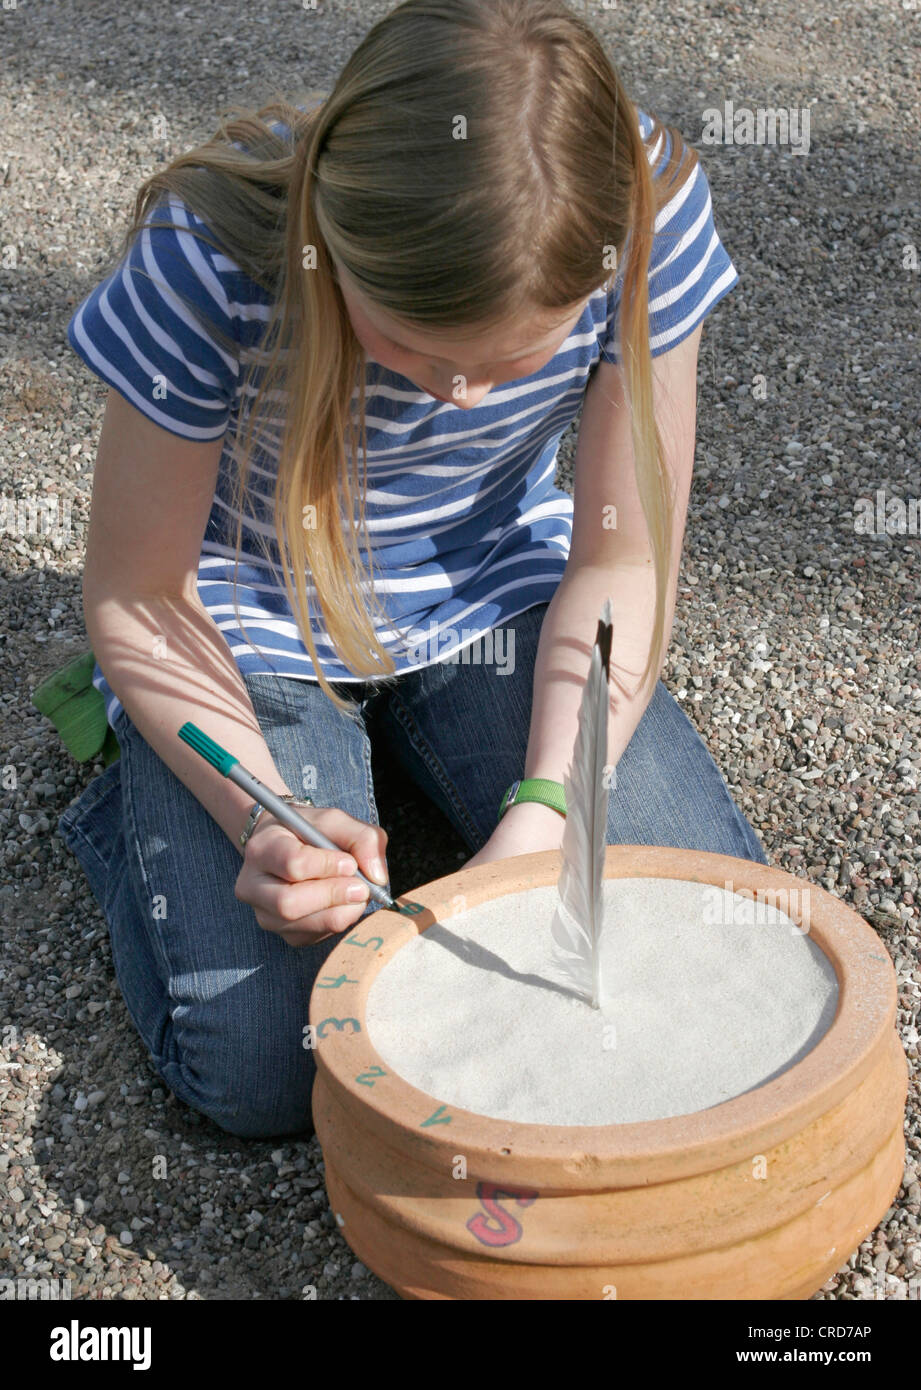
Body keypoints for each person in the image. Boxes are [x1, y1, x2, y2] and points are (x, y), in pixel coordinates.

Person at [58, 0, 767, 1139]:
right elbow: (139, 594)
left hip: (500, 588)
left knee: (675, 948)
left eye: (515, 360)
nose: (460, 396)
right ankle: (135, 811)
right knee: (272, 1071)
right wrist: (261, 815)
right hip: (244, 624)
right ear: (331, 248)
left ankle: (428, 780)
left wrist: (551, 802)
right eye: (415, 348)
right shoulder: (204, 264)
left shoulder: (647, 222)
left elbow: (622, 556)